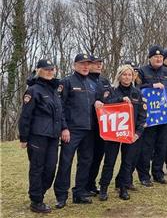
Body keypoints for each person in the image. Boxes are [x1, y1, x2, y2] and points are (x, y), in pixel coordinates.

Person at [18, 59, 64, 213]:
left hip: (53, 136)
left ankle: (40, 193)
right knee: (37, 168)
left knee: (50, 168)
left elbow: (60, 113)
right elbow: (25, 116)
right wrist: (23, 137)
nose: (50, 72)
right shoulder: (33, 90)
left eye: (52, 69)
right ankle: (36, 200)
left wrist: (63, 128)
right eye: (46, 69)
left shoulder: (54, 90)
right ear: (39, 70)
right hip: (37, 136)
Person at [97, 65, 147, 200]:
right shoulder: (111, 91)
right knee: (109, 161)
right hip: (113, 133)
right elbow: (105, 106)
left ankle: (123, 188)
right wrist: (120, 100)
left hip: (131, 135)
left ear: (133, 77)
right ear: (119, 76)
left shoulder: (137, 93)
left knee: (127, 162)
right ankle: (103, 188)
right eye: (124, 74)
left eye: (130, 75)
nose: (127, 77)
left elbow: (143, 115)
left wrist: (137, 133)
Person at [54, 53, 96, 208]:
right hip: (72, 130)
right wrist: (64, 128)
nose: (85, 67)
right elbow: (60, 107)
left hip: (89, 130)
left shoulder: (92, 83)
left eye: (88, 64)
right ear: (75, 65)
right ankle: (61, 195)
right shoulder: (66, 82)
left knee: (85, 162)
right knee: (66, 162)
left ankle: (79, 193)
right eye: (82, 64)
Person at [136, 45, 167, 186]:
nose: (159, 59)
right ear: (150, 58)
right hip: (148, 117)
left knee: (162, 146)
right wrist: (151, 86)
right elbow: (136, 89)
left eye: (161, 57)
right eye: (156, 57)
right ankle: (144, 176)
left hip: (164, 117)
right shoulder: (142, 71)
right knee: (147, 147)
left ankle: (158, 173)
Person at [86, 55, 112, 196]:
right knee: (87, 157)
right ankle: (84, 185)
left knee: (98, 157)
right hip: (89, 125)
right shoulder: (85, 80)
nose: (98, 65)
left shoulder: (104, 81)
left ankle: (91, 184)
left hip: (104, 126)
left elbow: (112, 99)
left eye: (100, 63)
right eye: (95, 63)